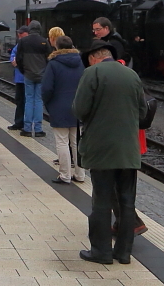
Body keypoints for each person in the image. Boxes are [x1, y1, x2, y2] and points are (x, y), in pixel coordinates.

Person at [74, 39, 149, 265]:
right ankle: (123, 253)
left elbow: (79, 109)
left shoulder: (92, 73)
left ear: (93, 58)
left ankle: (101, 252)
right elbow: (143, 112)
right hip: (128, 150)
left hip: (101, 150)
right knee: (127, 202)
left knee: (102, 201)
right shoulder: (131, 75)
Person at [42, 34, 86, 184]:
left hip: (59, 106)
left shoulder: (53, 64)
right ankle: (80, 175)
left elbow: (47, 88)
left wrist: (48, 104)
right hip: (79, 106)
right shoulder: (81, 62)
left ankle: (65, 175)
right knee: (77, 142)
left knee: (62, 142)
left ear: (57, 47)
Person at [15, 20, 50, 137]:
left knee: (29, 100)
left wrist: (23, 70)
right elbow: (49, 58)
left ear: (29, 29)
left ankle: (27, 128)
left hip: (28, 75)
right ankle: (39, 129)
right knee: (39, 101)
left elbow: (18, 58)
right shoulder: (44, 42)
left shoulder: (23, 41)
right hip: (41, 75)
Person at [8, 27, 27, 131]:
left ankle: (25, 123)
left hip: (27, 76)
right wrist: (12, 60)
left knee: (27, 101)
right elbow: (13, 54)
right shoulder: (18, 45)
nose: (19, 35)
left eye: (21, 33)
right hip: (19, 77)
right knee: (19, 100)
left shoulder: (28, 44)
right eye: (18, 34)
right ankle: (19, 122)